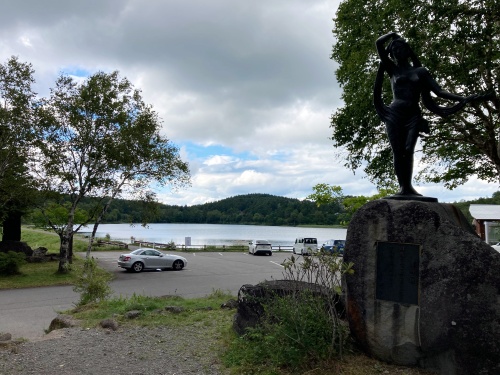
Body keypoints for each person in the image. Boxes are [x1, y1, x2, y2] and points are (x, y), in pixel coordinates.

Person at [374, 31, 489, 196]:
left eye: (401, 49)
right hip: (394, 115)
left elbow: (439, 91)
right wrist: (392, 35)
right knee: (398, 151)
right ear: (391, 54)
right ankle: (403, 188)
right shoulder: (392, 70)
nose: (398, 52)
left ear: (407, 50)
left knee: (409, 149)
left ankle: (408, 187)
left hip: (413, 115)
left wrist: (462, 98)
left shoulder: (420, 71)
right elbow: (379, 44)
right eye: (394, 50)